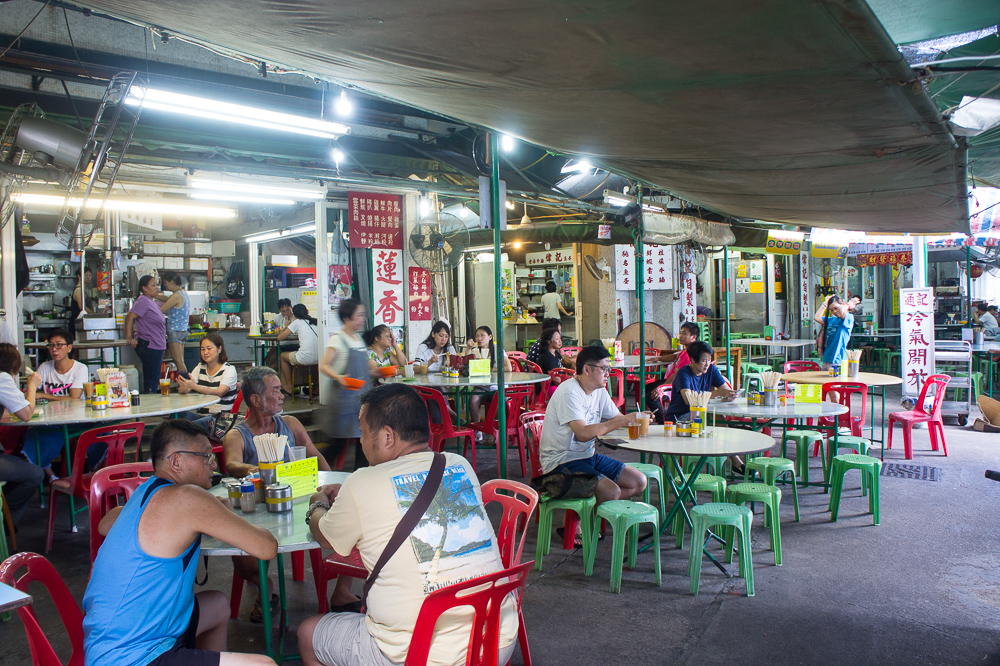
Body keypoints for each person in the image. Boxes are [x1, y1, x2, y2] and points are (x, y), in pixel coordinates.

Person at [297, 384, 519, 666]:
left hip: (421, 654)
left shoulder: (361, 482)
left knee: (308, 633)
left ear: (387, 436)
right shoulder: (458, 463)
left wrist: (318, 504)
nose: (361, 441)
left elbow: (324, 535)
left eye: (364, 432)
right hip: (495, 642)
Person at [83, 420, 277, 666]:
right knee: (266, 665)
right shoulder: (187, 497)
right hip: (134, 657)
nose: (212, 463)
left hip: (105, 642)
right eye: (205, 456)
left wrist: (210, 512)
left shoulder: (146, 492)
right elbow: (266, 547)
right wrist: (219, 511)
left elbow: (106, 524)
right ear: (176, 461)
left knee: (217, 605)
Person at [221, 367, 348, 619]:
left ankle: (342, 592)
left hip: (299, 504)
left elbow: (314, 455)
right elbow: (232, 464)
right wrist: (257, 468)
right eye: (276, 390)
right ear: (256, 400)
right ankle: (264, 585)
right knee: (245, 551)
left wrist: (332, 482)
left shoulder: (290, 424)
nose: (282, 395)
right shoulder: (238, 434)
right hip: (258, 510)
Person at [538, 345, 646, 507]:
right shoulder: (569, 392)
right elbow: (582, 434)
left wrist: (638, 420)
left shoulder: (599, 390)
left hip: (587, 456)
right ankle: (584, 524)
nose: (607, 374)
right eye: (603, 369)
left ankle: (585, 515)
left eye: (608, 368)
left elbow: (617, 418)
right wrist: (624, 420)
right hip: (561, 462)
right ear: (587, 369)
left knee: (638, 482)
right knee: (611, 491)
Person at [23, 330, 89, 480]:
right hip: (51, 419)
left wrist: (43, 395)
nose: (54, 349)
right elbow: (33, 391)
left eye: (59, 345)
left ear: (69, 348)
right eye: (51, 346)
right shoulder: (45, 367)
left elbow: (74, 397)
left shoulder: (79, 368)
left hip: (75, 419)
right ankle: (51, 476)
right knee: (32, 435)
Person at [320, 299, 369, 470]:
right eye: (359, 315)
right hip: (343, 401)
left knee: (363, 441)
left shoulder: (358, 338)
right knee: (338, 444)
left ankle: (360, 476)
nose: (362, 319)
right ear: (347, 318)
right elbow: (324, 365)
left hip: (359, 399)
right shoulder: (338, 339)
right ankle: (319, 472)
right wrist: (339, 377)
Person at [0, 343, 43, 525]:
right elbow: (26, 414)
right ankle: (5, 521)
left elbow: (4, 415)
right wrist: (31, 386)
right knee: (34, 474)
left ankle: (6, 518)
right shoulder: (2, 378)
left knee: (17, 463)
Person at [176, 334, 239, 430]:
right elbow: (188, 387)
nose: (205, 352)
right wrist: (184, 388)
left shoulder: (229, 370)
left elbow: (220, 392)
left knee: (188, 427)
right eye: (202, 349)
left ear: (219, 349)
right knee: (177, 416)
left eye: (209, 348)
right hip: (201, 415)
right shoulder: (200, 367)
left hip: (220, 419)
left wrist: (194, 387)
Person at [663, 341, 736, 422]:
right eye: (704, 361)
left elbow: (725, 390)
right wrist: (717, 393)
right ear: (693, 360)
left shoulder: (711, 369)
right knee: (712, 417)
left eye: (709, 360)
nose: (707, 364)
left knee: (717, 416)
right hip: (680, 417)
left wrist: (730, 394)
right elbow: (689, 401)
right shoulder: (683, 373)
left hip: (700, 411)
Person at [126, 274, 167, 394]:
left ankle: (151, 405)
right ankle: (149, 408)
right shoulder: (143, 301)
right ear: (144, 288)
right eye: (153, 285)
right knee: (151, 380)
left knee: (154, 379)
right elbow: (129, 317)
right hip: (149, 345)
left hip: (156, 345)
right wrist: (129, 337)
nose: (156, 287)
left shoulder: (150, 301)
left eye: (156, 285)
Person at [464, 325, 513, 424]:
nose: (479, 338)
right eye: (477, 336)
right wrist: (468, 348)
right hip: (481, 387)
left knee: (499, 399)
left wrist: (489, 369)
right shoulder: (475, 351)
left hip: (497, 387)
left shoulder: (498, 349)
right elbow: (466, 366)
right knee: (472, 400)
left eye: (483, 335)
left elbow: (508, 368)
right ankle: (477, 430)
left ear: (490, 337)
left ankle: (494, 428)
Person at [279, 304, 319, 395]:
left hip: (304, 359)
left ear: (295, 316)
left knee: (282, 356)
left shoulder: (297, 322)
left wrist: (286, 326)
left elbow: (280, 337)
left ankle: (289, 386)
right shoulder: (316, 321)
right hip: (321, 358)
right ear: (307, 311)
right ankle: (317, 386)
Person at [155, 271, 190, 374]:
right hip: (182, 331)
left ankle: (186, 385)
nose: (165, 286)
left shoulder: (176, 296)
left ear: (171, 282)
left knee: (179, 362)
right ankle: (185, 384)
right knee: (181, 361)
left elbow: (161, 310)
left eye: (165, 283)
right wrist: (156, 295)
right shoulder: (182, 293)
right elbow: (168, 299)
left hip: (175, 331)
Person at [815, 294, 860, 370]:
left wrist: (848, 304)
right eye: (831, 310)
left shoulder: (848, 318)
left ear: (842, 305)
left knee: (837, 382)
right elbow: (816, 317)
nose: (834, 311)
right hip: (826, 359)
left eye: (836, 308)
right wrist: (825, 303)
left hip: (838, 360)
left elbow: (842, 311)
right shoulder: (831, 320)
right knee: (825, 382)